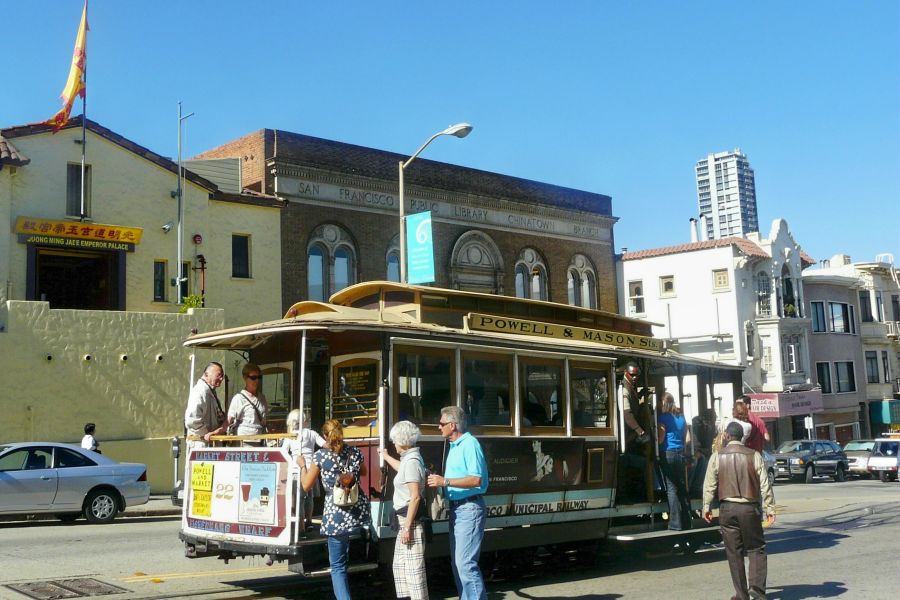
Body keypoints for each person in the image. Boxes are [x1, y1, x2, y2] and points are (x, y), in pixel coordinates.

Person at [703, 421, 776, 600]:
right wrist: (770, 507)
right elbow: (765, 483)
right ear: (743, 437)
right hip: (749, 508)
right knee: (756, 548)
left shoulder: (717, 456)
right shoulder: (754, 455)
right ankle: (757, 592)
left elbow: (709, 484)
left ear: (727, 436)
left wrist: (706, 506)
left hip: (727, 508)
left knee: (734, 553)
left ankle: (741, 595)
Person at [299, 419, 370, 600]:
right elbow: (364, 472)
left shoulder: (321, 456)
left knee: (337, 566)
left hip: (336, 516)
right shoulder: (354, 452)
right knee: (344, 559)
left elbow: (306, 485)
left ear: (325, 436)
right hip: (356, 513)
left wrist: (301, 466)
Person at [427, 406, 489, 600]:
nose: (439, 427)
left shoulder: (469, 444)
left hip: (469, 508)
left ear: (452, 425)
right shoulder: (454, 445)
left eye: (442, 424)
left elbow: (476, 479)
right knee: (458, 564)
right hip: (458, 508)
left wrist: (444, 481)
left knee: (465, 565)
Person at [378, 421, 428, 600]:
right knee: (400, 568)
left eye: (395, 441)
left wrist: (407, 528)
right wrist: (385, 456)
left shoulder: (412, 461)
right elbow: (402, 470)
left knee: (414, 573)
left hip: (410, 522)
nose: (393, 444)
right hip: (405, 521)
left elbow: (415, 497)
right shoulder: (409, 459)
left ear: (403, 441)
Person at [282, 408, 326, 528]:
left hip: (297, 469)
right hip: (311, 468)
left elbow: (284, 452)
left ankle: (301, 525)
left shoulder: (290, 436)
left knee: (299, 498)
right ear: (304, 420)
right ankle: (309, 520)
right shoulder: (312, 433)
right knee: (309, 497)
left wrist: (291, 463)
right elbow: (324, 444)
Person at [658, 393, 692, 530]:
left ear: (664, 403)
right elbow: (687, 438)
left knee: (671, 488)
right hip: (680, 453)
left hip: (668, 453)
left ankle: (675, 523)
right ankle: (687, 521)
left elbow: (660, 439)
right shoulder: (681, 417)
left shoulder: (663, 418)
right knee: (681, 487)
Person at [185, 362, 230, 448]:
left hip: (209, 444)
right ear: (206, 374)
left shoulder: (210, 391)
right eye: (218, 375)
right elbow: (192, 420)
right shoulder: (200, 391)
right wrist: (207, 435)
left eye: (222, 376)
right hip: (202, 445)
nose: (221, 379)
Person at [227, 363, 269, 445]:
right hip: (244, 441)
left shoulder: (262, 398)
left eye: (259, 377)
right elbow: (229, 420)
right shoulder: (238, 398)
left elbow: (265, 420)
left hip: (261, 439)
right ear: (245, 378)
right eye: (253, 378)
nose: (257, 380)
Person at [618, 362, 650, 444]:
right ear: (625, 372)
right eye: (632, 375)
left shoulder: (630, 385)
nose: (634, 377)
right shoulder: (624, 388)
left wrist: (640, 394)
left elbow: (632, 399)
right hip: (627, 430)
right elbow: (627, 414)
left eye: (636, 375)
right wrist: (640, 432)